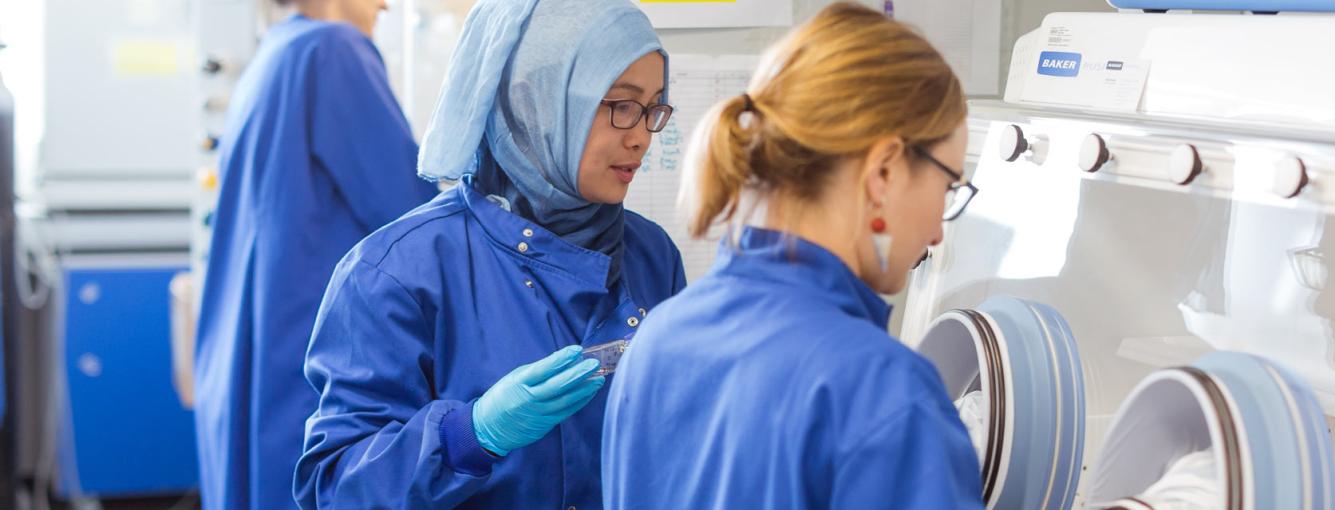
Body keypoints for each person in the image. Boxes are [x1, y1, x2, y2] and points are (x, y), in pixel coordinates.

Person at [293, 0, 684, 507]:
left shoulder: (652, 255)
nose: (640, 137)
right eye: (621, 106)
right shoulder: (396, 271)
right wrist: (468, 436)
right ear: (537, 101)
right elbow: (333, 487)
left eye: (654, 108)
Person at [602, 3, 983, 508]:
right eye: (947, 185)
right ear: (885, 171)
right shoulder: (887, 396)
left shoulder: (656, 340)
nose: (937, 231)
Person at [192, 0, 438, 507]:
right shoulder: (335, 50)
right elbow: (410, 211)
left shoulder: (275, 52)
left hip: (253, 347)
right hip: (307, 354)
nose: (386, 5)